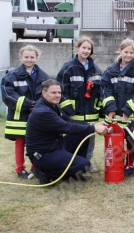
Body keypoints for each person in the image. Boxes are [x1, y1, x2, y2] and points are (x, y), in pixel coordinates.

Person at [25, 79, 108, 184]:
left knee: (83, 134)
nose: (57, 95)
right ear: (44, 93)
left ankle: (71, 171)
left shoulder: (53, 107)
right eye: (53, 92)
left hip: (55, 146)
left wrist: (92, 125)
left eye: (59, 92)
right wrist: (94, 128)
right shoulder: (43, 112)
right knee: (84, 165)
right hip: (43, 154)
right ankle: (45, 173)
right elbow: (66, 127)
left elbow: (69, 122)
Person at [102, 38, 134, 177]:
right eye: (126, 52)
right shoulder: (110, 70)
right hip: (115, 115)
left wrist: (128, 111)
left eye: (131, 52)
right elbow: (105, 90)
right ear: (120, 51)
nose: (128, 55)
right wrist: (111, 108)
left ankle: (129, 165)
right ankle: (115, 164)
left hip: (131, 115)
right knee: (114, 141)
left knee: (131, 141)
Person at [1, 45, 49, 179]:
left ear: (36, 58)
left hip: (36, 116)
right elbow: (8, 96)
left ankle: (35, 167)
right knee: (20, 143)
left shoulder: (43, 76)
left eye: (32, 57)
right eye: (26, 57)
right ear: (20, 57)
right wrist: (30, 104)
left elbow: (47, 94)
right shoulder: (11, 76)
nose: (29, 59)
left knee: (35, 143)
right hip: (20, 118)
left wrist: (38, 106)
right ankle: (20, 169)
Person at [56, 36, 102, 172]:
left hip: (91, 114)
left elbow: (101, 90)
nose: (86, 51)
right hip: (74, 114)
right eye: (84, 48)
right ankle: (73, 162)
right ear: (77, 48)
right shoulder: (68, 67)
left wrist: (98, 108)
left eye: (89, 49)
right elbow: (61, 91)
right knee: (74, 139)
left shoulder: (96, 70)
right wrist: (68, 110)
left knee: (90, 139)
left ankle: (87, 161)